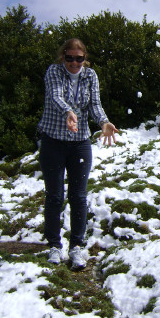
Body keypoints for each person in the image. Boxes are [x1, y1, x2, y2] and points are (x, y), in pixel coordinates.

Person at [37, 38, 118, 270]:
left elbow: (95, 104)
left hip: (80, 143)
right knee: (54, 196)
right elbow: (55, 95)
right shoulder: (53, 71)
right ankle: (54, 246)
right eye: (69, 57)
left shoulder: (90, 76)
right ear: (62, 56)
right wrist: (69, 112)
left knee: (79, 196)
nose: (74, 62)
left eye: (79, 58)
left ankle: (76, 248)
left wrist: (103, 122)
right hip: (52, 142)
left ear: (85, 58)